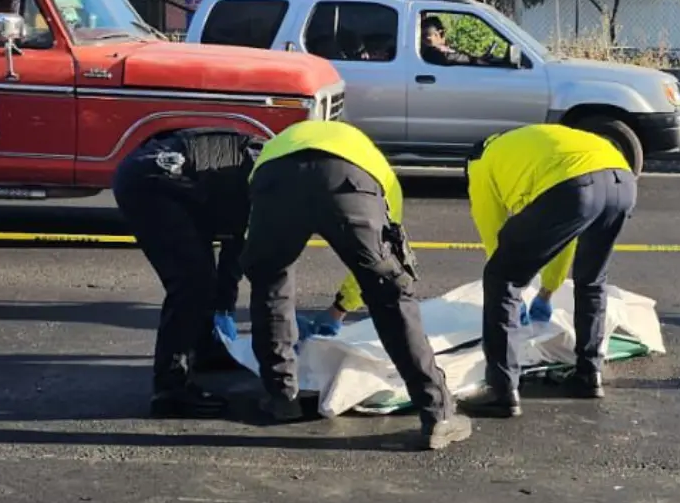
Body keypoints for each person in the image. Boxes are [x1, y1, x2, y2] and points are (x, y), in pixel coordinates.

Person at [238, 119, 472, 450]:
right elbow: (384, 258)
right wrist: (341, 308)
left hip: (274, 180)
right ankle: (438, 413)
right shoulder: (374, 162)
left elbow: (255, 240)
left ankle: (282, 398)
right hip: (350, 179)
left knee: (270, 284)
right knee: (391, 294)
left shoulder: (274, 149)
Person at [461, 124, 638, 419]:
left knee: (500, 277)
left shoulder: (480, 164)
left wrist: (514, 290)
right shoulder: (526, 144)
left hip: (572, 184)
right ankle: (588, 374)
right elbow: (566, 235)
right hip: (622, 180)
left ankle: (501, 390)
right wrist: (546, 290)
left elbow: (494, 240)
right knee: (592, 280)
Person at [112, 128, 262, 419]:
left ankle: (204, 348)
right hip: (152, 182)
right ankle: (170, 388)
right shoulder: (269, 184)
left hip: (182, 181)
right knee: (192, 283)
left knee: (203, 272)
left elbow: (234, 249)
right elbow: (245, 253)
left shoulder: (269, 166)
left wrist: (224, 309)